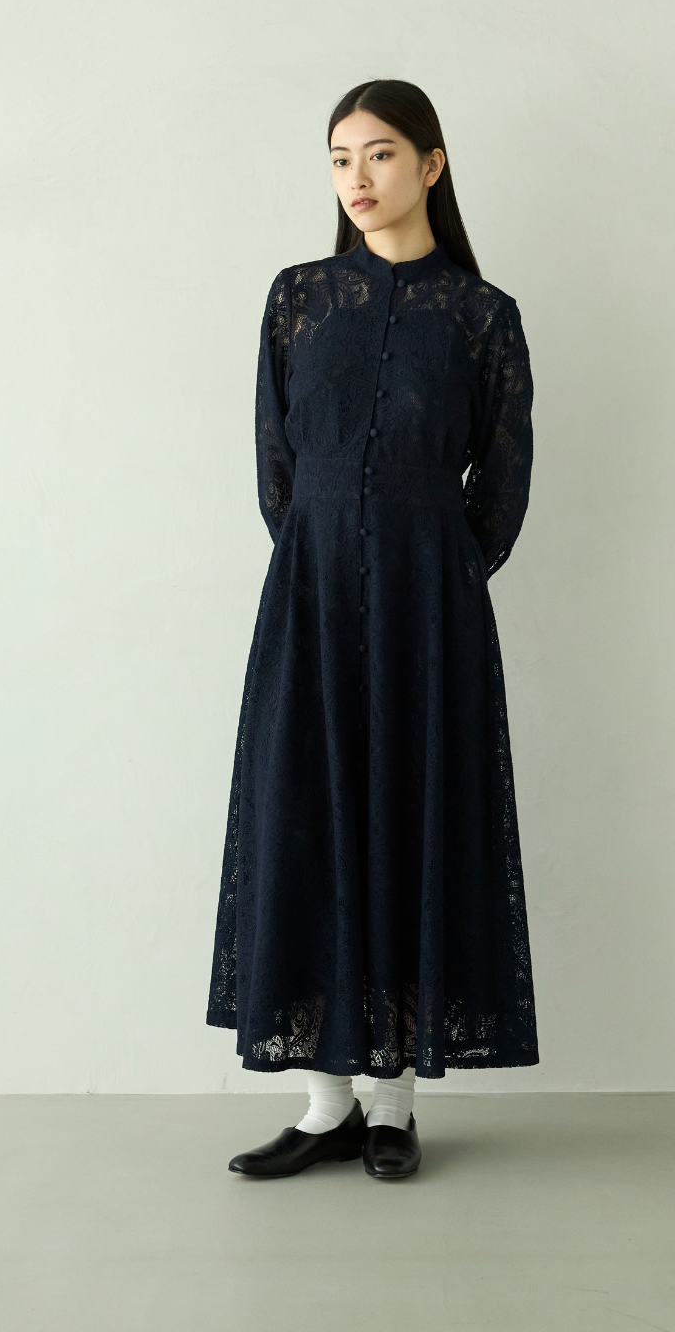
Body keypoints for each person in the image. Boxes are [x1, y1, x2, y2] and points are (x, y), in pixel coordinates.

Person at [206, 78, 538, 1179]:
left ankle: (392, 1107)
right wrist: (323, 551)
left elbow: (501, 488)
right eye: (341, 158)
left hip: (428, 613)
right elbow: (276, 465)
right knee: (304, 818)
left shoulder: (482, 317)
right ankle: (324, 1106)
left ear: (431, 164)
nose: (358, 177)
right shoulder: (298, 299)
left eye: (381, 154)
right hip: (305, 600)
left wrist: (430, 568)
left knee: (410, 819)